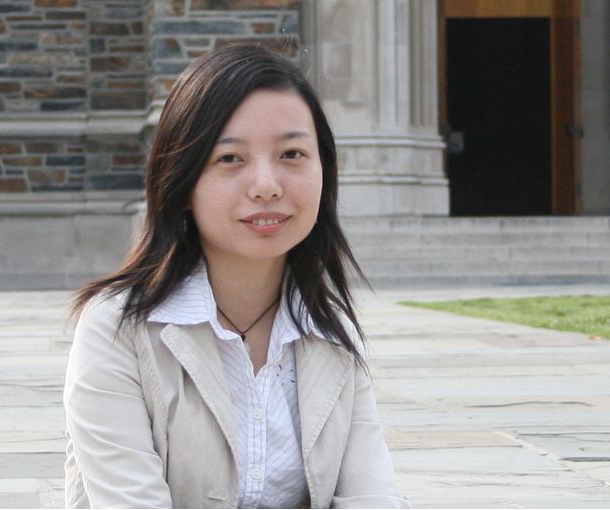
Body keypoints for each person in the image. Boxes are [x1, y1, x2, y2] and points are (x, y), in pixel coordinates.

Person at [63, 43, 411, 509]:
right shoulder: (118, 329)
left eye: (292, 153)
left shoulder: (331, 333)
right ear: (181, 179)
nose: (266, 185)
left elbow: (373, 497)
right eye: (230, 158)